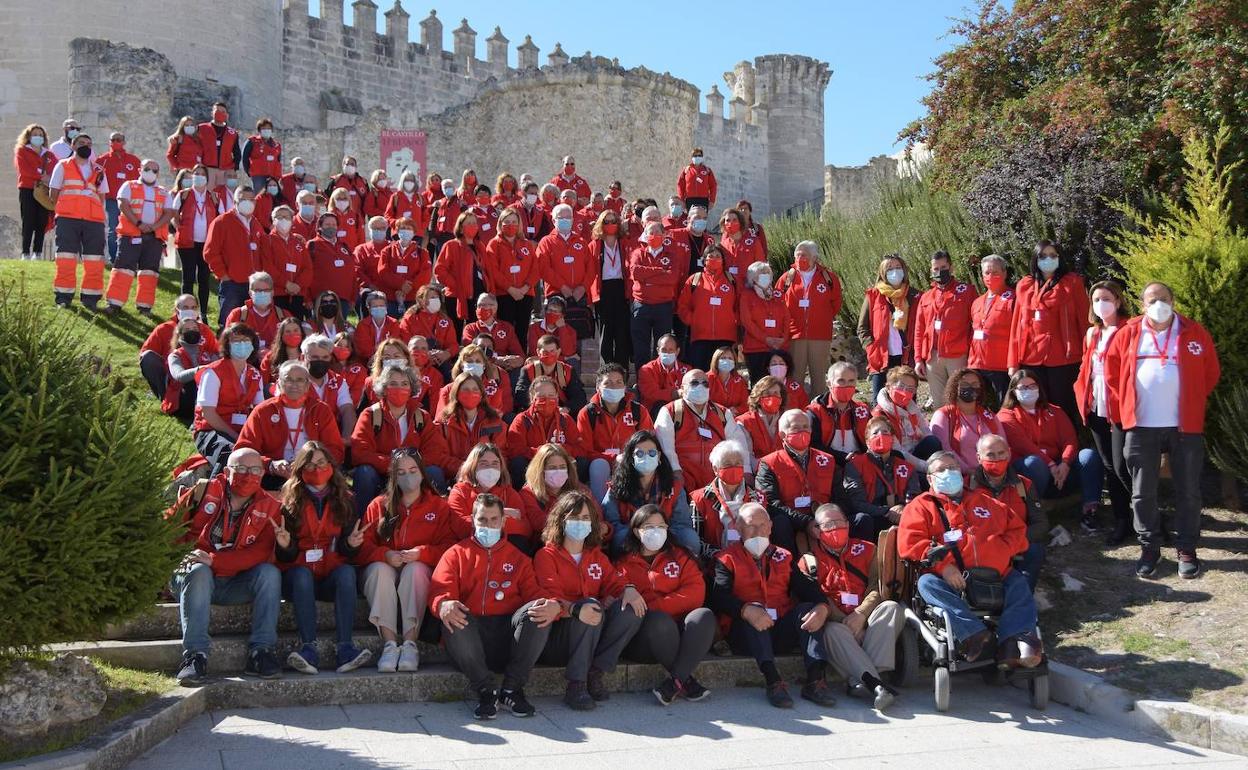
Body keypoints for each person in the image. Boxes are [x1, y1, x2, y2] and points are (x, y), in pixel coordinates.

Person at [1104, 282, 1220, 579]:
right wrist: (1126, 410)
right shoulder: (1128, 333)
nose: (1159, 304)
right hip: (1141, 426)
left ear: (1173, 300)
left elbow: (1210, 373)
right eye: (1153, 299)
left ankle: (1186, 549)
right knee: (1142, 494)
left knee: (1189, 492)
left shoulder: (1194, 332)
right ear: (1142, 305)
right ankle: (1149, 548)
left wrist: (1191, 400)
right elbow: (1112, 376)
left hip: (1185, 426)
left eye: (1164, 298)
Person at [898, 451, 1042, 668]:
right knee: (926, 584)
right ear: (929, 478)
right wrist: (945, 568)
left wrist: (1003, 550)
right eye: (941, 470)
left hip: (994, 575)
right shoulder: (920, 507)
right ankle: (975, 635)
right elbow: (911, 543)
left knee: (1018, 583)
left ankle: (1013, 643)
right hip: (952, 579)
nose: (949, 473)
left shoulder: (986, 501)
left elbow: (1018, 531)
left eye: (953, 468)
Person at [430, 493, 559, 719]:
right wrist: (443, 604)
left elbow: (537, 595)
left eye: (493, 520)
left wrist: (553, 606)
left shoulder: (519, 559)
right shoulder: (455, 554)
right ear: (472, 520)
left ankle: (512, 689)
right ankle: (485, 690)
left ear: (503, 521)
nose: (488, 525)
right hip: (470, 639)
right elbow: (440, 591)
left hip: (507, 637)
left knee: (538, 610)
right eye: (482, 520)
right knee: (453, 614)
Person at [168, 447, 283, 684]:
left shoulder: (271, 507)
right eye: (240, 469)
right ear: (227, 471)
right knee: (199, 571)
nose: (247, 475)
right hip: (192, 578)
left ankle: (261, 651)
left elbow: (260, 553)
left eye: (254, 470)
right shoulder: (202, 492)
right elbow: (168, 527)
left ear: (262, 473)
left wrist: (215, 560)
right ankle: (195, 656)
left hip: (234, 582)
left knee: (269, 573)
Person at [710, 502, 835, 708]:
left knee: (808, 610)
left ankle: (815, 680)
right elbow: (719, 596)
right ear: (738, 528)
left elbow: (807, 589)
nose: (757, 531)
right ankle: (773, 682)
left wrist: (822, 607)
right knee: (754, 613)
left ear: (770, 527)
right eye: (750, 526)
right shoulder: (726, 559)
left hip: (778, 629)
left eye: (762, 525)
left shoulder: (783, 556)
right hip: (745, 634)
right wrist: (745, 609)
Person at [535, 491, 645, 710]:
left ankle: (596, 671)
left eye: (585, 518)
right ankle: (576, 684)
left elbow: (614, 582)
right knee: (590, 606)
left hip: (591, 630)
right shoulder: (546, 556)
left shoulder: (596, 556)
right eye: (574, 517)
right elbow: (550, 598)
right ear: (561, 520)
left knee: (631, 608)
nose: (580, 523)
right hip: (559, 636)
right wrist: (576, 609)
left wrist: (628, 589)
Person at [274, 442, 372, 674]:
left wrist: (351, 544)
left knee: (347, 573)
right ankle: (308, 648)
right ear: (300, 469)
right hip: (299, 577)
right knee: (300, 575)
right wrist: (285, 545)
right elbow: (285, 558)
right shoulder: (289, 501)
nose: (316, 469)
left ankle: (345, 648)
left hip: (329, 574)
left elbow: (347, 553)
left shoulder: (346, 499)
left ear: (331, 466)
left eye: (321, 463)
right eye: (309, 465)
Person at [357, 448, 456, 672]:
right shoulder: (378, 505)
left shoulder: (440, 506)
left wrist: (421, 553)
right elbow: (363, 549)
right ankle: (390, 644)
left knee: (416, 570)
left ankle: (410, 643)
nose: (408, 476)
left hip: (419, 569)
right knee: (378, 571)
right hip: (387, 567)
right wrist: (385, 555)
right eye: (401, 472)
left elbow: (450, 547)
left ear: (422, 473)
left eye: (413, 470)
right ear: (393, 476)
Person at [615, 503, 715, 704]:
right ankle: (686, 681)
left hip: (679, 631)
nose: (656, 532)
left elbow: (695, 593)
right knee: (659, 621)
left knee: (703, 616)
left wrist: (653, 604)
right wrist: (654, 611)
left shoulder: (681, 556)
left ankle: (676, 682)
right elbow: (621, 595)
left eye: (661, 527)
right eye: (649, 527)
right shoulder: (623, 564)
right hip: (645, 639)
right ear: (636, 531)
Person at [807, 503, 902, 710]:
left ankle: (860, 681)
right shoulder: (810, 559)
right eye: (828, 524)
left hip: (866, 617)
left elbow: (876, 586)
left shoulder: (868, 549)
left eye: (839, 522)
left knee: (892, 608)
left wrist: (861, 614)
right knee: (831, 632)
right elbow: (818, 596)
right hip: (838, 622)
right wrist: (847, 622)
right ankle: (877, 684)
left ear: (848, 525)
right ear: (817, 530)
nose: (835, 528)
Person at [998, 369, 1103, 529]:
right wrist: (1051, 465)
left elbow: (1070, 440)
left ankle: (1090, 511)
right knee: (1034, 462)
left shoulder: (1054, 410)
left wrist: (1065, 463)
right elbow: (1024, 446)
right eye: (1023, 388)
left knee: (1088, 456)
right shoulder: (1006, 416)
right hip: (1032, 475)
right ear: (1013, 391)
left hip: (1060, 472)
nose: (1029, 390)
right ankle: (1033, 513)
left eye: (1032, 386)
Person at [1073, 280, 1134, 545]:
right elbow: (1087, 368)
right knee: (1110, 464)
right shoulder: (1092, 333)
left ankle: (1144, 517)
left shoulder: (1130, 329)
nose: (1101, 304)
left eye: (1106, 298)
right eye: (1096, 299)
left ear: (1118, 301)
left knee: (1125, 466)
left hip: (1121, 408)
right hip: (1097, 406)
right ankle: (1123, 519)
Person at [1008, 241, 1090, 428]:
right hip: (1031, 357)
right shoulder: (1024, 286)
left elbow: (1084, 322)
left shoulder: (1073, 283)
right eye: (1043, 256)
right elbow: (1016, 328)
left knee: (1063, 408)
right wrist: (1012, 362)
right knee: (1035, 407)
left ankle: (1068, 449)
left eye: (1053, 255)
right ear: (1036, 259)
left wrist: (1088, 357)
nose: (1048, 260)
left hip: (1064, 358)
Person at [351, 363, 451, 510]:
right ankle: (361, 524)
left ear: (411, 389)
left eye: (404, 384)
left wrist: (410, 468)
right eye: (393, 384)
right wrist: (394, 466)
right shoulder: (370, 414)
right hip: (382, 473)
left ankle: (436, 518)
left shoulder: (422, 417)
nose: (399, 388)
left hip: (414, 473)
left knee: (434, 472)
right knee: (364, 473)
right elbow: (360, 452)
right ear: (384, 389)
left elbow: (435, 452)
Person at [236, 360, 345, 488]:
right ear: (279, 384)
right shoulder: (262, 411)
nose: (294, 384)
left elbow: (335, 450)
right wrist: (270, 465)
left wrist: (313, 464)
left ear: (307, 385)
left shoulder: (321, 410)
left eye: (300, 380)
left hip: (313, 471)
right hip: (274, 474)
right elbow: (244, 449)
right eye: (288, 379)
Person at [968, 434, 1049, 591]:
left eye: (1001, 453)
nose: (996, 459)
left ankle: (1022, 601)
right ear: (979, 457)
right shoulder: (967, 486)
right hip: (981, 547)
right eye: (990, 454)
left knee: (1035, 550)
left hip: (1016, 543)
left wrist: (1011, 541)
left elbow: (1041, 524)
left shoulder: (1024, 485)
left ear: (1009, 453)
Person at [602, 430, 699, 556]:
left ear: (659, 456)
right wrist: (641, 533)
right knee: (620, 538)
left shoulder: (673, 486)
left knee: (690, 539)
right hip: (633, 535)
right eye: (640, 453)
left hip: (665, 533)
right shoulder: (616, 487)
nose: (646, 457)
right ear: (631, 457)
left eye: (652, 453)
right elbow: (612, 523)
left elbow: (682, 523)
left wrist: (658, 534)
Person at [756, 409, 838, 556]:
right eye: (795, 428)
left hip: (826, 518)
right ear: (782, 434)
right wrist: (806, 523)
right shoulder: (768, 463)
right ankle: (791, 571)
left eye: (806, 427)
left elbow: (841, 496)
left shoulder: (828, 460)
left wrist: (830, 517)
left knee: (860, 520)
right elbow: (771, 503)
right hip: (791, 521)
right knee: (780, 522)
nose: (802, 431)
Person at [654, 369, 749, 493]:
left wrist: (746, 471)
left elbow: (739, 444)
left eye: (705, 383)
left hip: (717, 480)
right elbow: (666, 447)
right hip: (682, 479)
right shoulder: (670, 411)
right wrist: (675, 472)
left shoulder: (722, 413)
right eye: (694, 383)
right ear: (682, 388)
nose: (700, 386)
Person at [101, 158, 174, 315]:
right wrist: (138, 223)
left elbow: (169, 213)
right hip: (130, 234)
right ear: (140, 169)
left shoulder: (163, 192)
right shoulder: (129, 185)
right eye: (147, 169)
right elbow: (123, 204)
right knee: (123, 269)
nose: (151, 173)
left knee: (149, 272)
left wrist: (153, 227)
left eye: (155, 170)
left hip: (154, 237)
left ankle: (145, 307)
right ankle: (114, 304)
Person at [193, 323, 264, 474]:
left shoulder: (255, 374)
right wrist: (235, 437)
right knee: (231, 455)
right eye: (236, 341)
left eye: (246, 340)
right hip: (210, 430)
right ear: (227, 345)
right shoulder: (213, 372)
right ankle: (215, 493)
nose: (242, 344)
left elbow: (260, 411)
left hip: (241, 430)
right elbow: (208, 414)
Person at [48, 132, 108, 310]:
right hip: (68, 218)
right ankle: (63, 298)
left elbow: (102, 196)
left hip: (93, 220)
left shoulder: (98, 170)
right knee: (66, 258)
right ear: (73, 146)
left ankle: (90, 299)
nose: (86, 146)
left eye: (89, 144)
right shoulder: (63, 165)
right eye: (81, 143)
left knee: (95, 260)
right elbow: (53, 192)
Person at [577, 363, 654, 502]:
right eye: (608, 382)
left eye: (619, 382)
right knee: (598, 465)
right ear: (598, 387)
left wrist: (628, 456)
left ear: (625, 387)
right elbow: (584, 450)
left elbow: (648, 441)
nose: (614, 386)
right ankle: (600, 510)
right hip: (601, 462)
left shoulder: (639, 411)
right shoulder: (587, 413)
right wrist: (613, 457)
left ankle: (637, 507)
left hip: (631, 459)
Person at [776, 241, 843, 396]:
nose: (800, 258)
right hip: (795, 334)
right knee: (795, 377)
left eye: (804, 255)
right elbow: (777, 302)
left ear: (814, 257)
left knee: (818, 376)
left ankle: (818, 411)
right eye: (797, 255)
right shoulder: (787, 278)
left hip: (820, 335)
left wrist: (821, 317)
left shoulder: (828, 278)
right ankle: (793, 411)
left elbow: (836, 303)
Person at [913, 251, 977, 408]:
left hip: (958, 355)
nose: (939, 272)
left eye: (943, 267)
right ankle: (943, 432)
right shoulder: (926, 297)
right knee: (939, 403)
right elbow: (919, 330)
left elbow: (976, 324)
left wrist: (972, 353)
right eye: (935, 269)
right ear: (931, 271)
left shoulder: (967, 291)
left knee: (962, 400)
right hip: (932, 357)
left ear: (951, 267)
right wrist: (918, 359)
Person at [842, 417, 920, 542]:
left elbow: (915, 498)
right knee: (862, 519)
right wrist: (887, 511)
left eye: (885, 432)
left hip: (902, 516)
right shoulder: (855, 465)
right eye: (875, 433)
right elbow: (856, 503)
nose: (881, 436)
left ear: (892, 439)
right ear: (867, 441)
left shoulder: (907, 467)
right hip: (873, 516)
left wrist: (903, 508)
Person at [688, 440, 766, 561]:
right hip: (716, 562)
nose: (734, 468)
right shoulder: (700, 499)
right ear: (715, 469)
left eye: (738, 463)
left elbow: (764, 535)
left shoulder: (757, 498)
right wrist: (723, 559)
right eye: (728, 464)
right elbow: (697, 541)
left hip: (751, 561)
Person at [204, 185, 271, 326]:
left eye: (251, 199)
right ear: (235, 202)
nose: (248, 202)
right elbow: (210, 252)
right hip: (232, 283)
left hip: (254, 285)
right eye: (243, 199)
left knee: (251, 324)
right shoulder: (221, 222)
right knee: (228, 324)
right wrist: (224, 275)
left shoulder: (256, 223)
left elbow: (264, 250)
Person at [858, 254, 920, 402]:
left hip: (906, 357)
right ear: (882, 273)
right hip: (881, 358)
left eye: (898, 267)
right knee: (880, 402)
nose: (894, 271)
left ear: (904, 270)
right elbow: (862, 327)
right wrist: (871, 348)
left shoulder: (915, 296)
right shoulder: (873, 296)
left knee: (907, 401)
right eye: (889, 268)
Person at [446, 443, 534, 547]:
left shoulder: (508, 492)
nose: (490, 469)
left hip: (505, 548)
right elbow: (460, 527)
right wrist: (500, 515)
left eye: (495, 464)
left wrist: (480, 521)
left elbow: (525, 529)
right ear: (472, 466)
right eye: (484, 463)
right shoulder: (459, 491)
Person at [628, 221, 684, 373]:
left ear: (664, 235)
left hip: (663, 306)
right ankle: (642, 385)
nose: (653, 236)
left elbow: (672, 278)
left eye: (656, 233)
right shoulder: (637, 253)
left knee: (663, 349)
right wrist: (660, 271)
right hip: (641, 305)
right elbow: (635, 273)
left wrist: (647, 278)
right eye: (649, 233)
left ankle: (660, 381)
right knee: (641, 349)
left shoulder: (672, 256)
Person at [506, 377, 586, 482]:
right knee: (518, 463)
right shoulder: (522, 419)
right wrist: (543, 451)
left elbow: (579, 448)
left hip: (560, 465)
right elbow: (514, 450)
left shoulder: (565, 419)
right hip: (534, 466)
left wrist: (560, 450)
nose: (547, 399)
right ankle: (524, 495)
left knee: (582, 462)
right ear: (532, 398)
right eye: (541, 396)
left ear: (557, 397)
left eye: (551, 395)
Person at [140, 294, 219, 398]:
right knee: (147, 357)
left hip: (197, 377)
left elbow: (216, 353)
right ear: (177, 311)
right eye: (185, 307)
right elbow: (145, 355)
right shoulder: (163, 329)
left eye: (193, 307)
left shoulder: (204, 330)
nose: (190, 311)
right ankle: (164, 395)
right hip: (170, 375)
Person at [930, 368, 1006, 474]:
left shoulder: (989, 416)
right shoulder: (944, 415)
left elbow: (1004, 445)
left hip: (993, 473)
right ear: (955, 388)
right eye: (965, 384)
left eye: (975, 384)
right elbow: (944, 449)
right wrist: (968, 471)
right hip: (960, 474)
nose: (971, 388)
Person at [434, 374, 508, 480]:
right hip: (454, 476)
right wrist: (467, 468)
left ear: (482, 395)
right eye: (465, 389)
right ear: (456, 393)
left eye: (475, 389)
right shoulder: (443, 423)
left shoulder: (495, 422)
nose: (471, 393)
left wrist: (483, 468)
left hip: (488, 476)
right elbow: (439, 456)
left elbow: (501, 453)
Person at [483, 207, 539, 346]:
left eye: (514, 221)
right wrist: (510, 289)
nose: (511, 225)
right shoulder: (494, 244)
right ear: (500, 223)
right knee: (505, 331)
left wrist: (526, 287)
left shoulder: (527, 244)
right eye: (507, 221)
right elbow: (493, 270)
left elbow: (536, 268)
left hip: (526, 293)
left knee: (522, 330)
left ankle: (520, 361)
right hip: (504, 294)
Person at [677, 246, 738, 370]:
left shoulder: (731, 280)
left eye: (717, 256)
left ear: (723, 260)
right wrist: (694, 321)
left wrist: (732, 320)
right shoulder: (694, 280)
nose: (714, 259)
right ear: (704, 259)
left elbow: (739, 306)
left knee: (724, 374)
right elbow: (682, 306)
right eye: (711, 256)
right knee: (700, 373)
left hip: (726, 337)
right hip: (700, 338)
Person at [169, 164, 220, 312]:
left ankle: (203, 312)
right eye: (196, 173)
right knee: (188, 278)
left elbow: (219, 217)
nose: (199, 176)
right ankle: (185, 311)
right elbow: (173, 213)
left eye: (202, 174)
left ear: (206, 178)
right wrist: (180, 228)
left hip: (206, 244)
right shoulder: (183, 194)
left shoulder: (213, 196)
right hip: (187, 243)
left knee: (204, 280)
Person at [872, 366, 941, 471]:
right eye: (900, 387)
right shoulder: (880, 415)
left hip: (914, 450)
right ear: (888, 387)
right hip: (895, 458)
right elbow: (897, 450)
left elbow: (925, 430)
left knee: (933, 441)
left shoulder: (911, 407)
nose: (904, 392)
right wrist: (927, 467)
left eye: (910, 389)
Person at [969, 254, 1016, 403]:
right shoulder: (977, 302)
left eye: (995, 272)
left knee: (1005, 408)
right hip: (977, 364)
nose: (990, 276)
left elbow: (1018, 334)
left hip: (1001, 366)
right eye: (987, 273)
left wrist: (1013, 364)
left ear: (1004, 273)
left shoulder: (1013, 298)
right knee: (979, 408)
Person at [587, 208, 631, 367]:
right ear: (601, 224)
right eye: (607, 222)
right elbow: (590, 271)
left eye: (614, 221)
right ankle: (606, 370)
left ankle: (622, 371)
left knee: (621, 333)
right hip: (603, 290)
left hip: (621, 290)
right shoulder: (594, 245)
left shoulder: (624, 243)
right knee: (606, 333)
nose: (611, 224)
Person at [519, 443, 594, 535]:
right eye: (552, 468)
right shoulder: (528, 493)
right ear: (540, 470)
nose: (558, 471)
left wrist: (605, 528)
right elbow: (539, 523)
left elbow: (596, 517)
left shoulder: (580, 489)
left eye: (562, 467)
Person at [807, 361, 871, 464]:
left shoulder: (863, 411)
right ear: (829, 383)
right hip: (825, 465)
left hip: (860, 464)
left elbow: (872, 439)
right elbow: (813, 445)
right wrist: (843, 458)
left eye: (851, 381)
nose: (846, 385)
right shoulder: (815, 411)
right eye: (841, 381)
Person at [433, 211, 487, 331]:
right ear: (461, 228)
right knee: (455, 331)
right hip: (456, 295)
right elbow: (440, 270)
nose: (473, 226)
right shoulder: (451, 245)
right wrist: (455, 285)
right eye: (469, 223)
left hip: (478, 295)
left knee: (475, 331)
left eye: (474, 223)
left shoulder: (481, 246)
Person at [740, 261, 791, 382]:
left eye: (767, 272)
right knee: (759, 384)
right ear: (752, 277)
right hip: (755, 349)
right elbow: (747, 322)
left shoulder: (777, 294)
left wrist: (783, 338)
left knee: (778, 383)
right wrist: (765, 339)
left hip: (778, 347)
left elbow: (786, 318)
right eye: (761, 273)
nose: (765, 275)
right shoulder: (747, 295)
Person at [300, 334, 357, 441]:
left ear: (330, 357)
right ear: (303, 357)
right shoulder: (293, 380)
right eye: (315, 357)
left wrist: (345, 438)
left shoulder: (338, 381)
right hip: (300, 439)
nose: (320, 361)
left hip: (331, 438)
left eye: (325, 357)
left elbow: (347, 410)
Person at [95, 131, 141, 263]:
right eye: (113, 140)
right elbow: (95, 180)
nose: (115, 142)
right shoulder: (102, 160)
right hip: (111, 201)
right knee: (113, 229)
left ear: (124, 142)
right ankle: (115, 258)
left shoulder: (134, 160)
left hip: (131, 202)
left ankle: (131, 258)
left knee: (133, 229)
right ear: (109, 142)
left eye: (118, 140)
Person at [164, 317, 221, 423]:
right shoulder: (175, 355)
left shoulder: (208, 353)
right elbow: (179, 376)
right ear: (180, 334)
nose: (192, 331)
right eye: (187, 329)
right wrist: (201, 369)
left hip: (206, 397)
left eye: (195, 328)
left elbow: (220, 367)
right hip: (183, 400)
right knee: (192, 382)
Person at [436, 342, 514, 419]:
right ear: (461, 366)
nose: (474, 364)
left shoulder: (493, 389)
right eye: (469, 361)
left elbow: (495, 418)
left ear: (484, 366)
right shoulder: (448, 390)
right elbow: (440, 420)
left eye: (478, 361)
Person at [512, 334, 587, 413]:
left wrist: (567, 408)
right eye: (545, 352)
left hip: (561, 412)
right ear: (538, 352)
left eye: (552, 351)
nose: (549, 355)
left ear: (558, 352)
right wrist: (540, 406)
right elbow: (521, 395)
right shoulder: (528, 370)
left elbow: (579, 397)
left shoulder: (568, 371)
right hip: (536, 410)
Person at [14, 123, 55, 260]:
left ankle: (37, 253)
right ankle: (25, 252)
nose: (38, 137)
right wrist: (43, 177)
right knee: (28, 220)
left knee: (41, 221)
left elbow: (56, 169)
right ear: (29, 136)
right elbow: (24, 170)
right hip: (27, 189)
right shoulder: (22, 151)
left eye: (40, 135)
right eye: (35, 135)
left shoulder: (48, 154)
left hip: (43, 190)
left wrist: (49, 178)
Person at [307, 212, 358, 320]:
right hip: (322, 299)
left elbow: (353, 274)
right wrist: (307, 298)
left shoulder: (344, 246)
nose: (331, 227)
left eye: (334, 225)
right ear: (319, 227)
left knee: (340, 333)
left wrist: (353, 298)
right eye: (327, 225)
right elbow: (306, 272)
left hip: (343, 299)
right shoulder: (312, 245)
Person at [377, 217, 432, 316]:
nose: (406, 231)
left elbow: (426, 273)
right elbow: (383, 271)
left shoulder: (422, 252)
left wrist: (409, 287)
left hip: (413, 298)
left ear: (414, 232)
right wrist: (400, 284)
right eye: (403, 228)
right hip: (391, 297)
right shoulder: (387, 251)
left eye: (409, 228)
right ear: (397, 231)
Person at [223, 271, 289, 352]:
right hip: (245, 361)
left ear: (272, 292)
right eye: (258, 290)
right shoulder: (237, 315)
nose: (262, 293)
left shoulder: (284, 316)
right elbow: (227, 344)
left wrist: (270, 354)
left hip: (275, 360)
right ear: (250, 293)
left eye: (266, 290)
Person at [460, 293, 524, 371]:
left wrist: (516, 361)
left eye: (488, 305)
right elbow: (471, 351)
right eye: (480, 305)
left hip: (505, 368)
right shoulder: (470, 328)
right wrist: (496, 360)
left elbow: (519, 353)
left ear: (495, 308)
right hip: (479, 367)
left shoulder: (507, 327)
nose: (483, 307)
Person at [736, 376, 786, 471]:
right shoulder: (744, 422)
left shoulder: (788, 419)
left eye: (776, 393)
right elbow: (747, 458)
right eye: (767, 393)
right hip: (757, 473)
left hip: (786, 472)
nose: (772, 397)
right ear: (758, 397)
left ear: (781, 397)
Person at [637, 334, 689, 416]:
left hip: (682, 411)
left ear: (677, 351)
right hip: (654, 413)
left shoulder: (687, 370)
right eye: (664, 350)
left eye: (671, 350)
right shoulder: (646, 370)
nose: (667, 353)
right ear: (658, 350)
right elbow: (651, 394)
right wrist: (675, 394)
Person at [524, 295, 578, 365]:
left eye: (555, 311)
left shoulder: (570, 331)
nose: (551, 313)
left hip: (560, 365)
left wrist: (562, 329)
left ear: (562, 315)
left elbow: (568, 352)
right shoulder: (534, 328)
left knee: (573, 362)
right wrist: (564, 358)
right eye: (549, 310)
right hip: (540, 364)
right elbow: (535, 354)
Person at [197, 102, 240, 188]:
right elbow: (194, 146)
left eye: (223, 111)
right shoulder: (201, 128)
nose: (220, 113)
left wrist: (234, 168)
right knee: (208, 195)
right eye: (217, 111)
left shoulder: (232, 133)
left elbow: (237, 152)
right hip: (207, 169)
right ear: (212, 113)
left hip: (225, 170)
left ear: (227, 115)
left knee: (223, 196)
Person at [353, 291, 404, 364]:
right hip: (366, 362)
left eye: (381, 306)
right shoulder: (362, 325)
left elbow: (394, 345)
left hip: (389, 360)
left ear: (386, 307)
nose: (379, 308)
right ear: (369, 309)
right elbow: (364, 349)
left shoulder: (394, 323)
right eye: (375, 306)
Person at [258, 317, 305, 386]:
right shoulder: (271, 357)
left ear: (302, 333)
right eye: (288, 332)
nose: (292, 334)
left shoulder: (309, 355)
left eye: (296, 330)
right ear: (281, 336)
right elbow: (263, 383)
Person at [241, 118, 282, 190]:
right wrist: (248, 171)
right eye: (264, 128)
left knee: (272, 197)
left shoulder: (276, 145)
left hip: (273, 176)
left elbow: (278, 160)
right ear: (259, 130)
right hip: (258, 175)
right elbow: (244, 157)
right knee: (259, 196)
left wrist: (277, 176)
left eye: (268, 128)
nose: (266, 130)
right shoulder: (252, 141)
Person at [385, 171, 426, 242]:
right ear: (402, 181)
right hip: (399, 233)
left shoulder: (420, 197)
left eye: (411, 180)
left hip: (416, 234)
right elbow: (388, 215)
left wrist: (421, 226)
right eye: (406, 180)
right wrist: (396, 223)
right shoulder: (395, 197)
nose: (409, 182)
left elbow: (426, 214)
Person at [708, 346, 749, 414]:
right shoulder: (707, 378)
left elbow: (746, 405)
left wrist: (736, 410)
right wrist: (723, 411)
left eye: (730, 358)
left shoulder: (740, 381)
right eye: (723, 358)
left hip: (734, 419)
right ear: (716, 360)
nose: (726, 361)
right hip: (712, 418)